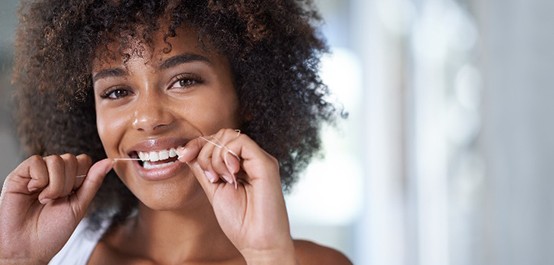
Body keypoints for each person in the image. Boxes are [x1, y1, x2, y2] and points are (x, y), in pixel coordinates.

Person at [0, 0, 351, 264]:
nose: (149, 118)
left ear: (248, 96)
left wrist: (267, 254)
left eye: (184, 81)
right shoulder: (55, 255)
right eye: (117, 92)